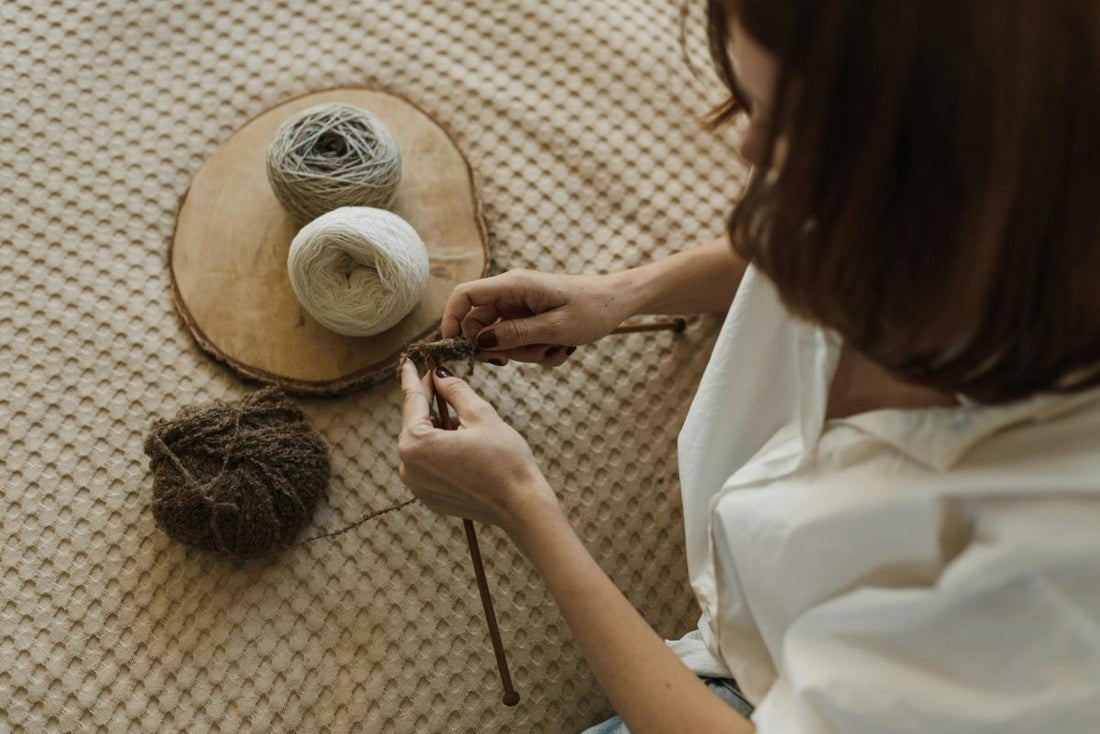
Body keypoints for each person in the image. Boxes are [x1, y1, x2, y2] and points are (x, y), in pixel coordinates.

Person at [397, 1, 1100, 731]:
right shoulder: (989, 204)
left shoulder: (1044, 579)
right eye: (755, 102)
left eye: (800, 130)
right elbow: (806, 227)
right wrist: (620, 293)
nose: (752, 151)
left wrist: (520, 505)